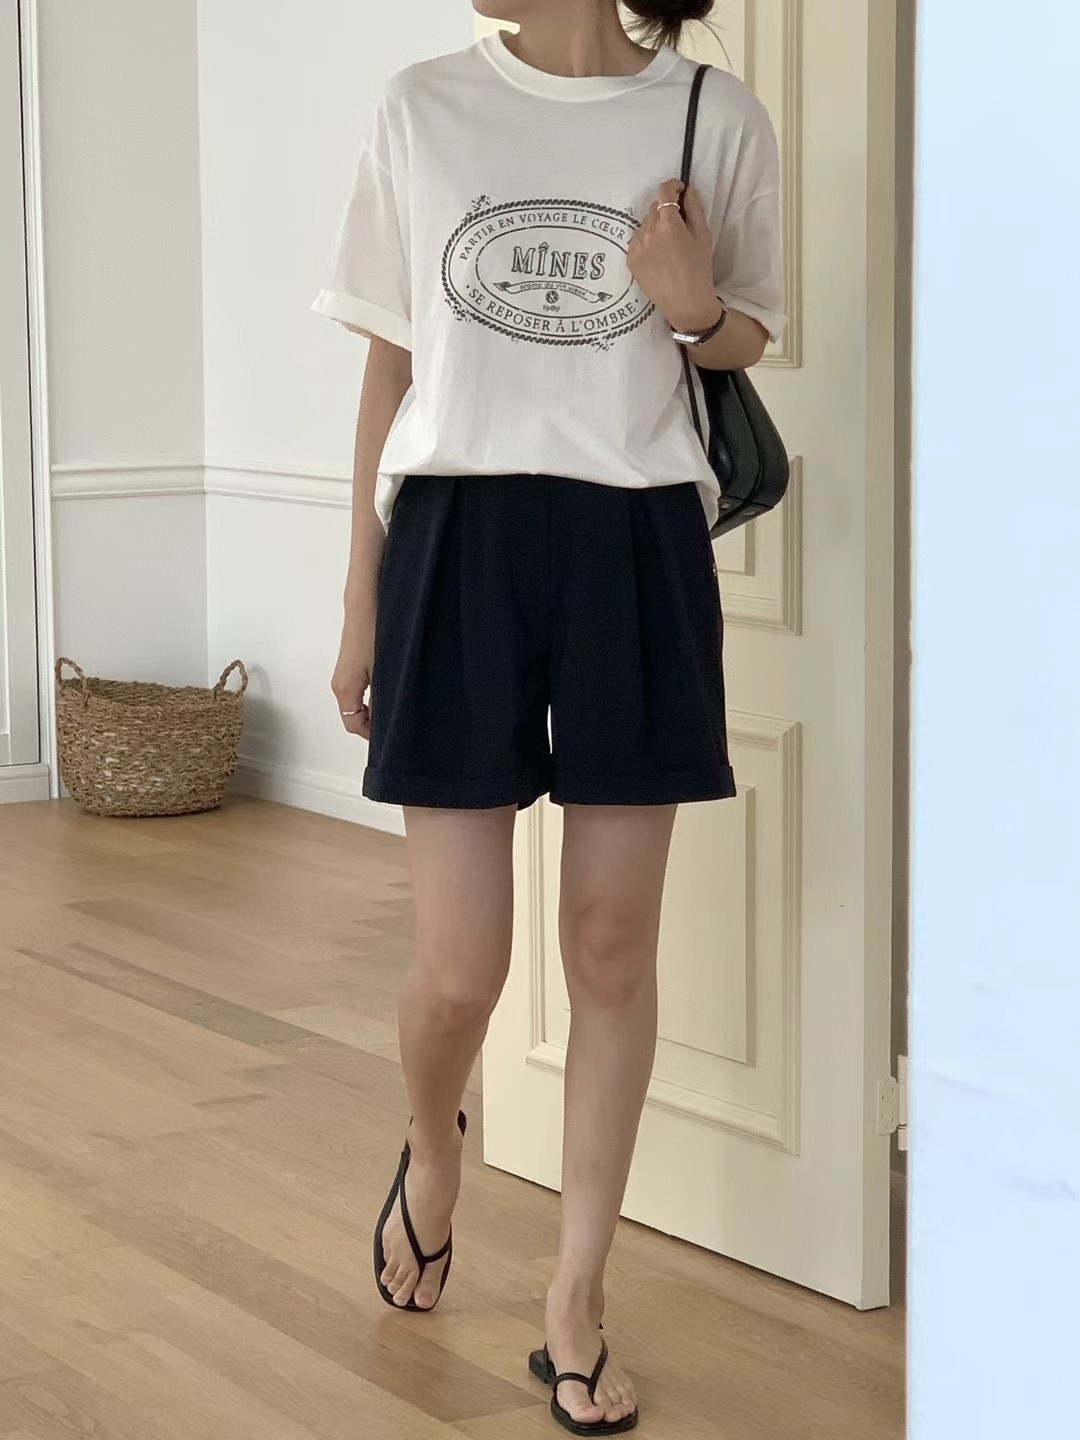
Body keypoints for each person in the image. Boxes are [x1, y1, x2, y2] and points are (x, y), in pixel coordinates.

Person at [312, 1, 785, 1432]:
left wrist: (693, 303)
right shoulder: (423, 106)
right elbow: (390, 363)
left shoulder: (713, 115)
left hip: (636, 543)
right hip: (457, 536)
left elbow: (750, 331)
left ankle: (576, 1296)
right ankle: (434, 1144)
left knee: (610, 945)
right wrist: (360, 596)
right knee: (461, 971)